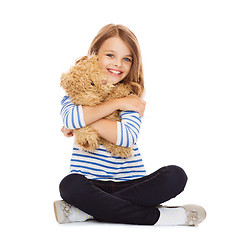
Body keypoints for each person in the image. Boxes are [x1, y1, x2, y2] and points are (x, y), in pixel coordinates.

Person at [54, 24, 206, 226]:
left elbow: (125, 137)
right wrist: (115, 104)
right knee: (70, 185)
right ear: (94, 55)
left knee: (175, 175)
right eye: (110, 55)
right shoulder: (74, 95)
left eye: (127, 59)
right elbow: (71, 119)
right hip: (91, 184)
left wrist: (84, 122)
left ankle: (87, 212)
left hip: (132, 183)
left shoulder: (131, 99)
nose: (118, 64)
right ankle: (159, 217)